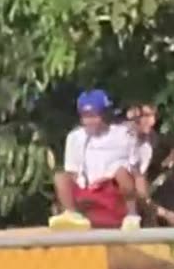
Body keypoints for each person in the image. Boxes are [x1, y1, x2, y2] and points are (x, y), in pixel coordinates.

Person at [48, 89, 143, 231]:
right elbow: (72, 172)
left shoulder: (124, 134)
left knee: (121, 172)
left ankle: (131, 215)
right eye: (85, 116)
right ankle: (73, 215)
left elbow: (136, 173)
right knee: (60, 176)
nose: (89, 121)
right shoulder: (75, 137)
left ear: (104, 114)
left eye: (93, 116)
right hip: (88, 191)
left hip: (113, 190)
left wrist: (144, 199)